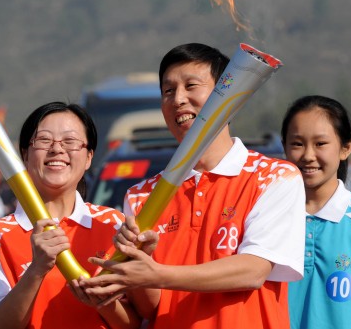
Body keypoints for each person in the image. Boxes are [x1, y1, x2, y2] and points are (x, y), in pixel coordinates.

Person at [79, 43, 306, 328]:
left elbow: (253, 271)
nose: (178, 99)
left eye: (191, 86)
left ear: (228, 95)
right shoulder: (142, 196)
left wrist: (157, 273)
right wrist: (142, 263)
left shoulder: (274, 177)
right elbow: (152, 308)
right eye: (168, 91)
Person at [0, 102, 156, 329]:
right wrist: (36, 269)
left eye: (70, 141)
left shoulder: (114, 226)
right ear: (25, 156)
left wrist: (102, 302)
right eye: (44, 140)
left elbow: (138, 322)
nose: (57, 149)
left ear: (88, 158)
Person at [280, 95, 351, 328]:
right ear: (284, 147)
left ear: (346, 148)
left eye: (320, 144)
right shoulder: (270, 216)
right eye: (297, 143)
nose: (308, 155)